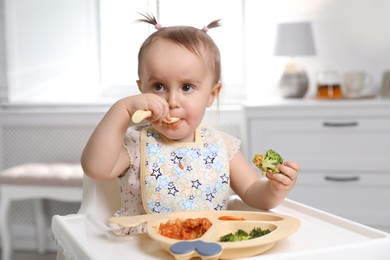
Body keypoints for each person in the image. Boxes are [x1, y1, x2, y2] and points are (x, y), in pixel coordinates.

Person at [81, 14, 299, 234]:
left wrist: (274, 188)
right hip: (143, 247)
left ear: (212, 94)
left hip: (209, 245)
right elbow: (96, 169)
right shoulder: (136, 144)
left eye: (186, 87)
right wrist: (123, 110)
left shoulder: (221, 145)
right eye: (158, 86)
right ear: (141, 89)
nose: (172, 101)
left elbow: (253, 192)